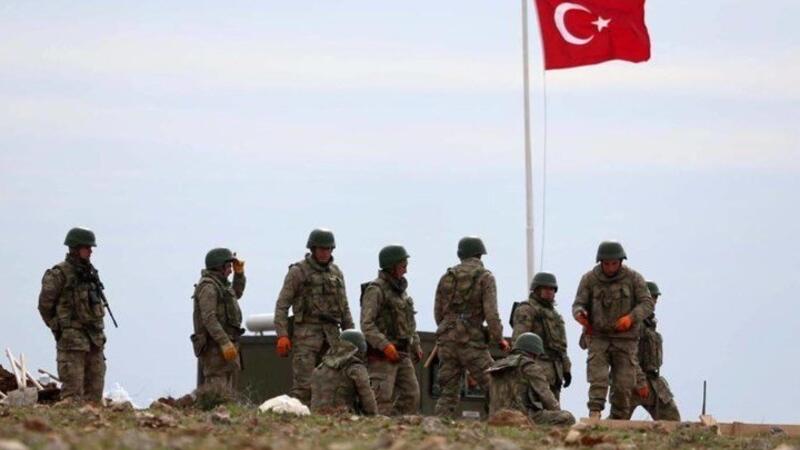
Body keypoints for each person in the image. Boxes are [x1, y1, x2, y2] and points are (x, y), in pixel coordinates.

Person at [572, 241, 654, 419]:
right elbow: (578, 304)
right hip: (598, 337)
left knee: (624, 384)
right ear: (600, 262)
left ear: (621, 262)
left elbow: (647, 303)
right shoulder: (589, 279)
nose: (610, 267)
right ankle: (595, 413)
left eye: (614, 263)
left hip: (625, 339)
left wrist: (631, 318)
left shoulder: (633, 278)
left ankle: (618, 419)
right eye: (606, 263)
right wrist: (580, 314)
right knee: (598, 378)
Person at [274, 228, 354, 403]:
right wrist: (282, 335)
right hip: (306, 338)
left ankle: (325, 419)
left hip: (332, 338)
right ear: (313, 248)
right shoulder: (298, 272)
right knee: (304, 388)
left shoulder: (336, 273)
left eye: (328, 249)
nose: (325, 253)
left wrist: (352, 336)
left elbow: (344, 308)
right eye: (321, 249)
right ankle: (298, 417)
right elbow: (282, 305)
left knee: (331, 386)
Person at [433, 236, 509, 417]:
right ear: (480, 254)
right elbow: (491, 314)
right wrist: (499, 339)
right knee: (495, 385)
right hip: (471, 342)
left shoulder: (446, 277)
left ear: (460, 254)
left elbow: (438, 313)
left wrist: (449, 330)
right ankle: (499, 423)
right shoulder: (485, 277)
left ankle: (437, 427)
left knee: (448, 393)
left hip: (446, 340)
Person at [38, 227, 108, 403]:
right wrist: (59, 327)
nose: (91, 251)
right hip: (72, 342)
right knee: (72, 396)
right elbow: (45, 306)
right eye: (87, 247)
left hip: (94, 339)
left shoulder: (90, 273)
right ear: (75, 248)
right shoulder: (59, 274)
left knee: (95, 395)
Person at [361, 245, 422, 415]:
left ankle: (396, 426)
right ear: (391, 266)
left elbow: (409, 323)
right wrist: (385, 345)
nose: (406, 270)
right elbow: (367, 324)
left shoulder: (401, 292)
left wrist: (416, 343)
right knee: (381, 398)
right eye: (403, 266)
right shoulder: (375, 290)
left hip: (402, 352)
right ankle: (378, 427)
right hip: (382, 356)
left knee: (412, 395)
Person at [611, 281, 681, 420]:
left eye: (655, 298)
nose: (654, 302)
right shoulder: (631, 323)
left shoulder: (649, 324)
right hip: (630, 381)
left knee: (671, 418)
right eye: (652, 297)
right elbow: (627, 356)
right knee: (617, 421)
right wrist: (640, 382)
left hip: (651, 380)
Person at [487, 332, 576, 425]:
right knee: (568, 418)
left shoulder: (497, 365)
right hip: (522, 417)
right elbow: (546, 395)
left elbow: (488, 395)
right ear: (534, 353)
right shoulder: (529, 366)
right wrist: (558, 412)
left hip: (497, 417)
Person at [511, 271, 572, 401]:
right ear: (537, 289)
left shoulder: (555, 315)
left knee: (553, 408)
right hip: (536, 368)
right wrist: (525, 368)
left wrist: (566, 368)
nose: (549, 292)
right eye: (545, 288)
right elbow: (519, 342)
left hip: (555, 372)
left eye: (552, 289)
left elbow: (561, 346)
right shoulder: (527, 309)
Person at [191, 248, 246, 390]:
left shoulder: (222, 285)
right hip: (214, 349)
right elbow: (209, 319)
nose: (230, 270)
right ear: (219, 267)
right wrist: (224, 342)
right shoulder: (209, 287)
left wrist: (239, 275)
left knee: (230, 391)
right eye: (228, 266)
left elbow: (237, 293)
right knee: (217, 390)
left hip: (227, 345)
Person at [310, 329, 378, 415]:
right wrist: (374, 416)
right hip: (343, 417)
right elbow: (368, 402)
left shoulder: (320, 367)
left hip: (317, 417)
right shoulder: (355, 368)